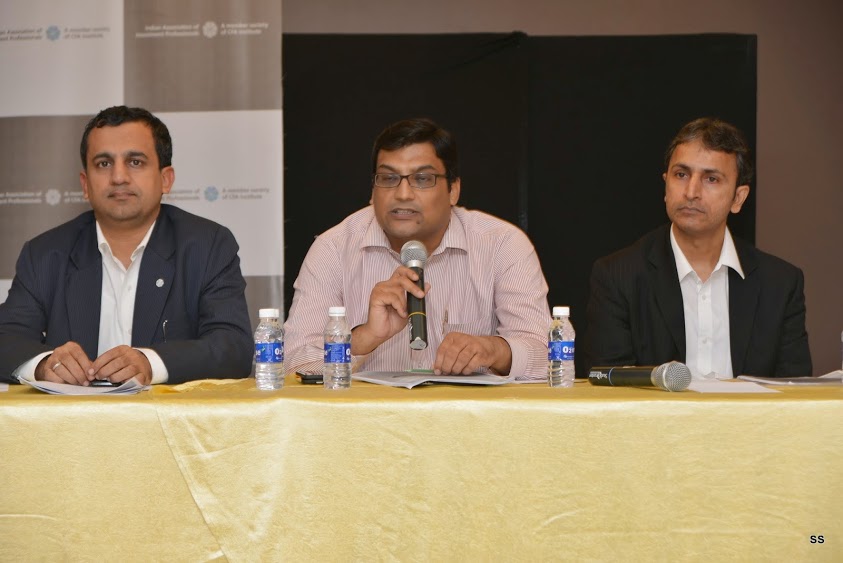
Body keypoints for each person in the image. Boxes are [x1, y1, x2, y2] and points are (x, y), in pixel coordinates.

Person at [0, 106, 253, 386]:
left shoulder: (207, 246)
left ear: (165, 179)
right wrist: (43, 365)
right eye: (103, 164)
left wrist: (150, 363)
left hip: (166, 414)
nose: (118, 177)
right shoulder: (45, 254)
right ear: (85, 184)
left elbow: (233, 347)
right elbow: (6, 337)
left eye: (135, 162)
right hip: (74, 413)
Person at [284, 118, 550, 377]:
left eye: (422, 179)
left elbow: (549, 356)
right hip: (371, 409)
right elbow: (295, 365)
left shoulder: (501, 244)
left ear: (453, 190)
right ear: (372, 190)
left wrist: (495, 350)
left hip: (466, 409)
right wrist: (365, 337)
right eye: (388, 178)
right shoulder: (333, 249)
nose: (403, 194)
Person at [583, 117, 811, 379]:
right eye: (681, 175)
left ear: (738, 198)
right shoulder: (618, 277)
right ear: (666, 185)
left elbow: (794, 391)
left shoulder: (780, 284)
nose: (691, 192)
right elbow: (611, 387)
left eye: (711, 179)